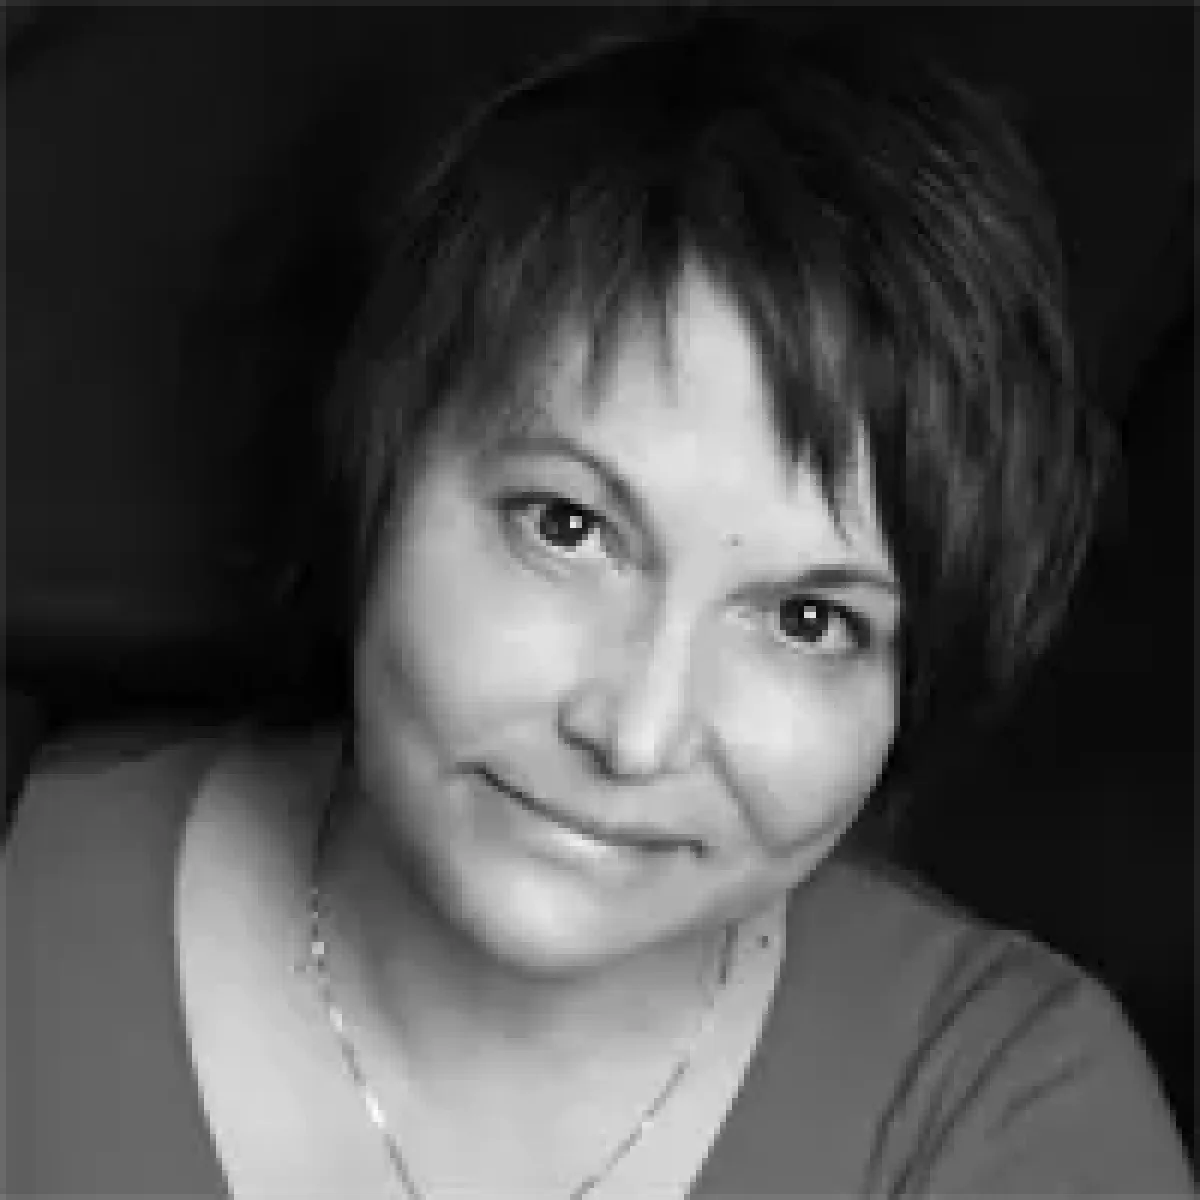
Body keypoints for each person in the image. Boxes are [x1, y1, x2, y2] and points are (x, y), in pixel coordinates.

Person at [3, 9, 1195, 1199]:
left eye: (807, 622)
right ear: (381, 467)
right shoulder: (29, 897)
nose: (636, 734)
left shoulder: (1003, 1106)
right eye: (566, 527)